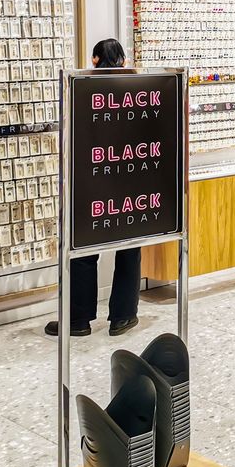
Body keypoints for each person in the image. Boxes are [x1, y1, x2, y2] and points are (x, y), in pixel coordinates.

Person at [45, 39, 141, 337]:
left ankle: (78, 320)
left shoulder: (81, 89)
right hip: (132, 180)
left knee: (84, 249)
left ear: (95, 59)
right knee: (129, 248)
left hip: (91, 181)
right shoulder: (140, 91)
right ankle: (123, 317)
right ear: (124, 61)